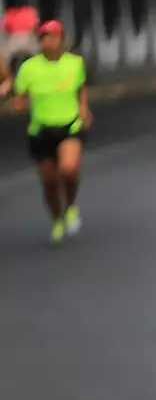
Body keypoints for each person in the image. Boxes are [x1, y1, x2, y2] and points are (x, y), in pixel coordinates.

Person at [10, 20, 92, 242]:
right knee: (49, 183)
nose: (50, 41)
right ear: (40, 41)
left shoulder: (74, 63)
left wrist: (84, 109)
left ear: (61, 40)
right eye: (45, 37)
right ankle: (57, 219)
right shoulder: (29, 68)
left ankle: (71, 205)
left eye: (54, 37)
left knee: (68, 170)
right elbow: (19, 97)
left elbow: (81, 88)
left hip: (70, 125)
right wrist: (18, 104)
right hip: (41, 129)